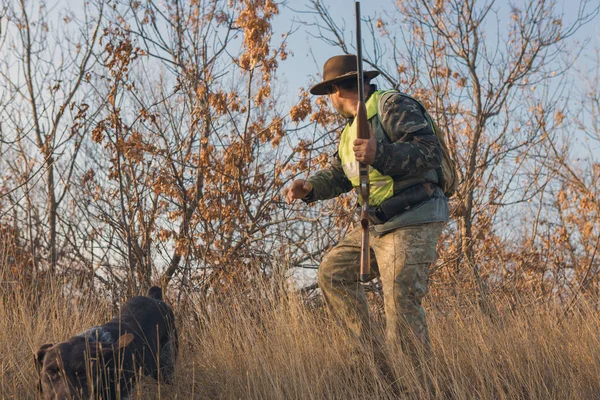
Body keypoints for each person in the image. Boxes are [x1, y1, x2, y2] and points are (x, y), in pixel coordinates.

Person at [284, 54, 449, 368]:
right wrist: (311, 188)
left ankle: (418, 387)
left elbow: (430, 151)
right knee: (333, 272)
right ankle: (374, 365)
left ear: (336, 90)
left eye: (329, 93)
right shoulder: (349, 132)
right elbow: (339, 173)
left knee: (400, 302)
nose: (329, 100)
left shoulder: (392, 106)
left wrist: (381, 153)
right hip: (377, 225)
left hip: (415, 214)